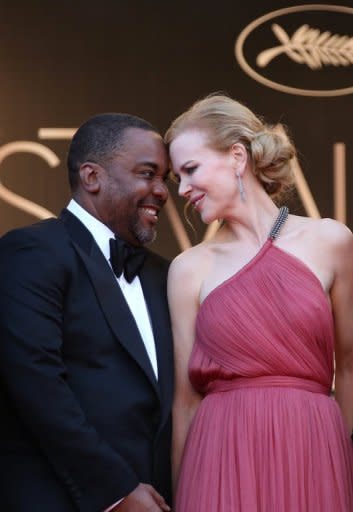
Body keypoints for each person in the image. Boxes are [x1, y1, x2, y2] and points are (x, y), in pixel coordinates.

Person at [164, 94, 353, 511]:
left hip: (313, 450)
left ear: (236, 156)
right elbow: (185, 401)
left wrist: (341, 462)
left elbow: (350, 366)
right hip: (218, 457)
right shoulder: (188, 268)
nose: (182, 189)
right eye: (177, 176)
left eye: (190, 170)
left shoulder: (331, 240)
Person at [0, 113, 174, 512]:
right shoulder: (34, 251)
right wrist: (117, 492)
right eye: (148, 173)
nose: (162, 191)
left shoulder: (165, 274)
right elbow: (35, 382)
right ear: (92, 177)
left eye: (165, 178)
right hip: (62, 498)